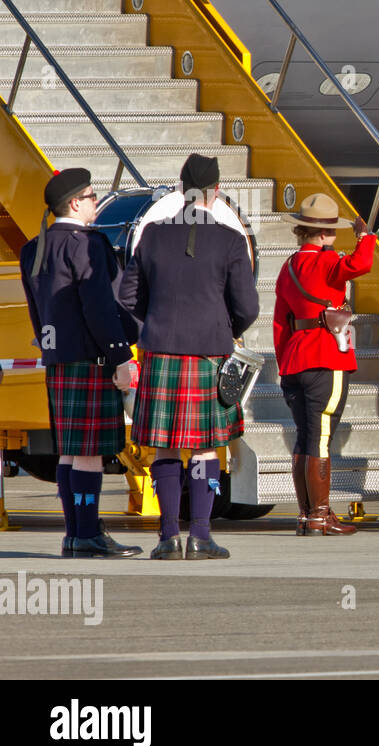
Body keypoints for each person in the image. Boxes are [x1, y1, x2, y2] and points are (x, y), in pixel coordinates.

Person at [119, 153, 259, 558]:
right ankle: (200, 536)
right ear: (215, 192)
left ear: (182, 190)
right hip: (209, 354)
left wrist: (157, 322)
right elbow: (247, 307)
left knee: (164, 445)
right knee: (204, 446)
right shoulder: (231, 241)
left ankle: (166, 538)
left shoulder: (153, 236)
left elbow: (127, 297)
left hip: (160, 352)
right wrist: (224, 328)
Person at [18, 168, 141, 558]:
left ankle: (75, 533)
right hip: (91, 358)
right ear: (74, 202)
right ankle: (86, 534)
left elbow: (37, 311)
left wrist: (51, 346)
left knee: (70, 450)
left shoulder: (34, 247)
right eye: (91, 196)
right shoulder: (88, 245)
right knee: (88, 451)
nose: (94, 202)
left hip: (58, 357)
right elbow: (100, 306)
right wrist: (122, 353)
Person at [273, 193, 375, 536]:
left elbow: (280, 322)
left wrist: (285, 360)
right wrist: (365, 236)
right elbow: (361, 265)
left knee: (305, 439)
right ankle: (319, 516)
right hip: (325, 356)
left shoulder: (288, 267)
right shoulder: (328, 263)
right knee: (320, 439)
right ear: (326, 233)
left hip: (295, 358)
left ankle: (307, 515)